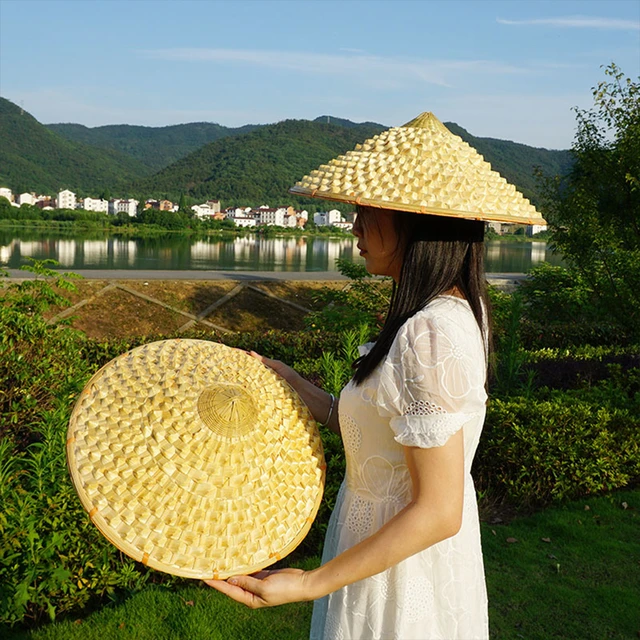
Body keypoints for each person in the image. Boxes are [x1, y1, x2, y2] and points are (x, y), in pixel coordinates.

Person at [206, 112, 546, 639]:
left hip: (400, 570)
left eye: (367, 214)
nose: (355, 228)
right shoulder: (439, 316)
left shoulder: (431, 333)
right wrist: (293, 383)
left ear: (416, 223)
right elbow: (383, 431)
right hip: (377, 548)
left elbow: (437, 511)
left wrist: (308, 584)